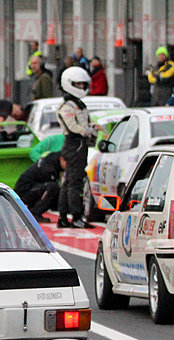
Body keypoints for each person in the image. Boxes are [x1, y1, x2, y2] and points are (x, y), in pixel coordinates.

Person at [56, 67, 104, 229]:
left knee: (69, 182)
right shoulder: (67, 106)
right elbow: (73, 127)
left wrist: (92, 126)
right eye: (78, 84)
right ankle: (75, 216)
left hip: (79, 145)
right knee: (74, 183)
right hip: (74, 145)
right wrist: (88, 131)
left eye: (83, 85)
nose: (82, 88)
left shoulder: (79, 104)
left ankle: (63, 217)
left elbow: (83, 123)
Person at [14, 152, 64, 222]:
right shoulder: (48, 168)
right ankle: (35, 213)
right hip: (24, 192)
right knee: (53, 188)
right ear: (61, 159)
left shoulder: (49, 162)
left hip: (30, 189)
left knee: (52, 189)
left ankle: (33, 210)